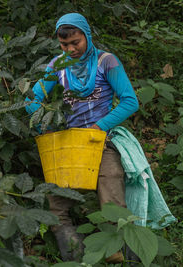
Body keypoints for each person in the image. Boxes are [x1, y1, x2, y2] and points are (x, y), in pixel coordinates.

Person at [25, 13, 139, 262]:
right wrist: (44, 124)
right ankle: (77, 258)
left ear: (86, 36)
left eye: (75, 42)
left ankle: (128, 257)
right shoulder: (57, 65)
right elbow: (30, 100)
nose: (70, 49)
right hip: (70, 145)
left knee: (113, 203)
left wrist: (100, 127)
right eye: (64, 44)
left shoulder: (106, 62)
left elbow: (130, 101)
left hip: (101, 142)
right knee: (56, 207)